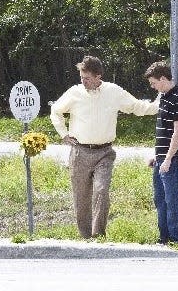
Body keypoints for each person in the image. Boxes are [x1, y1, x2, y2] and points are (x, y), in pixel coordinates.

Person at [50, 55, 159, 239]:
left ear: (98, 76)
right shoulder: (74, 92)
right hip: (80, 152)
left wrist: (159, 103)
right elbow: (56, 110)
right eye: (81, 78)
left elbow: (136, 107)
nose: (83, 82)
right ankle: (86, 238)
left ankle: (98, 235)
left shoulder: (113, 91)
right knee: (81, 198)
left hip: (105, 153)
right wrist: (64, 134)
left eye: (87, 78)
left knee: (101, 191)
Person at [144, 61, 178, 245]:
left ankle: (176, 239)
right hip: (162, 158)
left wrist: (168, 159)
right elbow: (164, 131)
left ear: (163, 78)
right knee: (160, 198)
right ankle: (163, 238)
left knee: (172, 199)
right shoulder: (164, 97)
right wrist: (157, 156)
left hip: (174, 159)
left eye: (154, 82)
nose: (152, 86)